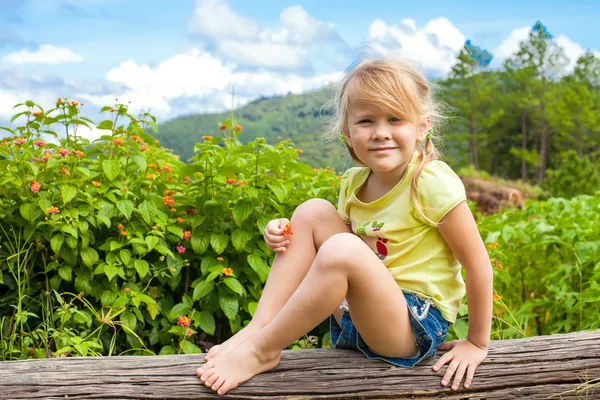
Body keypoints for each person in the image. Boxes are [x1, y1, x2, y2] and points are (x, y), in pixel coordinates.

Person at [196, 57, 493, 395]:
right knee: (311, 212)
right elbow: (344, 253)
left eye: (395, 119)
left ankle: (262, 350)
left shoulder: (429, 180)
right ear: (347, 134)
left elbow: (477, 264)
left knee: (341, 250)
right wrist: (281, 234)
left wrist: (477, 343)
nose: (381, 132)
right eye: (366, 121)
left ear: (421, 127)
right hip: (360, 316)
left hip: (412, 325)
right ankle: (259, 327)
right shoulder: (354, 182)